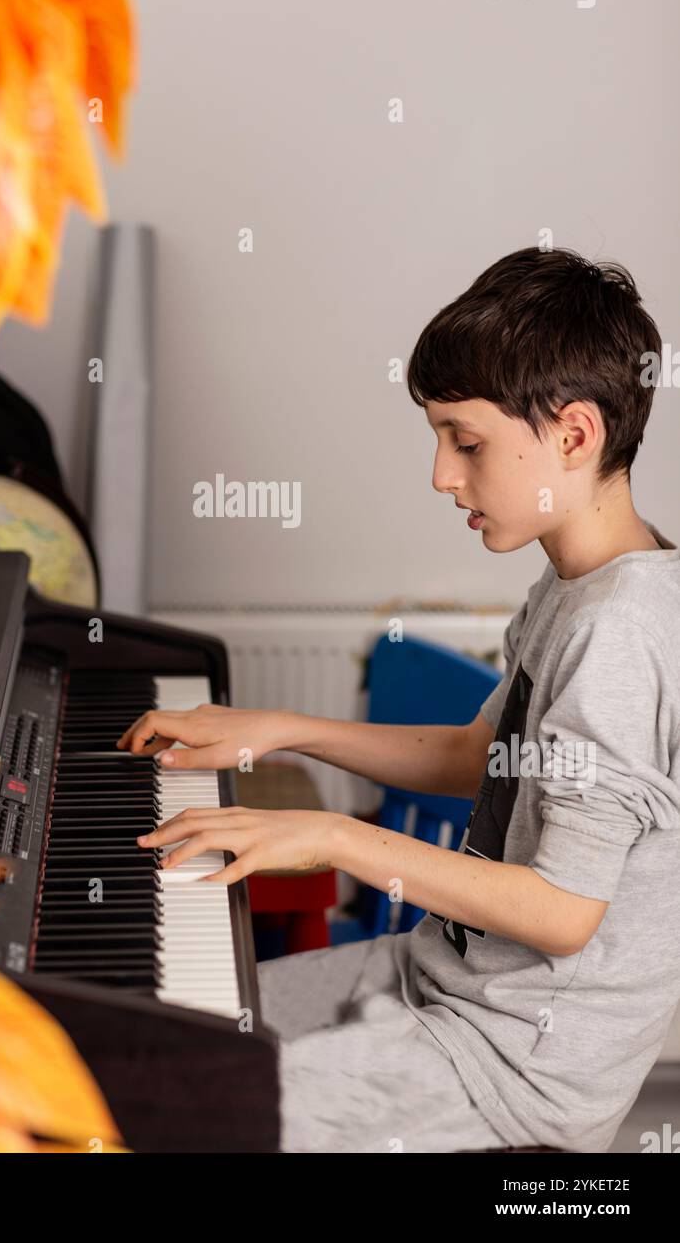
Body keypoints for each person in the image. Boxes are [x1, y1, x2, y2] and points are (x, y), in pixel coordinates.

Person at [117, 247, 680, 1153]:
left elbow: (563, 913)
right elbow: (476, 758)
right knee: (161, 1036)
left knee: (181, 1118)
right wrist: (285, 731)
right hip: (435, 980)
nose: (441, 475)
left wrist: (333, 836)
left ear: (574, 437)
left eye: (467, 442)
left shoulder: (619, 634)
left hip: (504, 1070)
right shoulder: (576, 587)